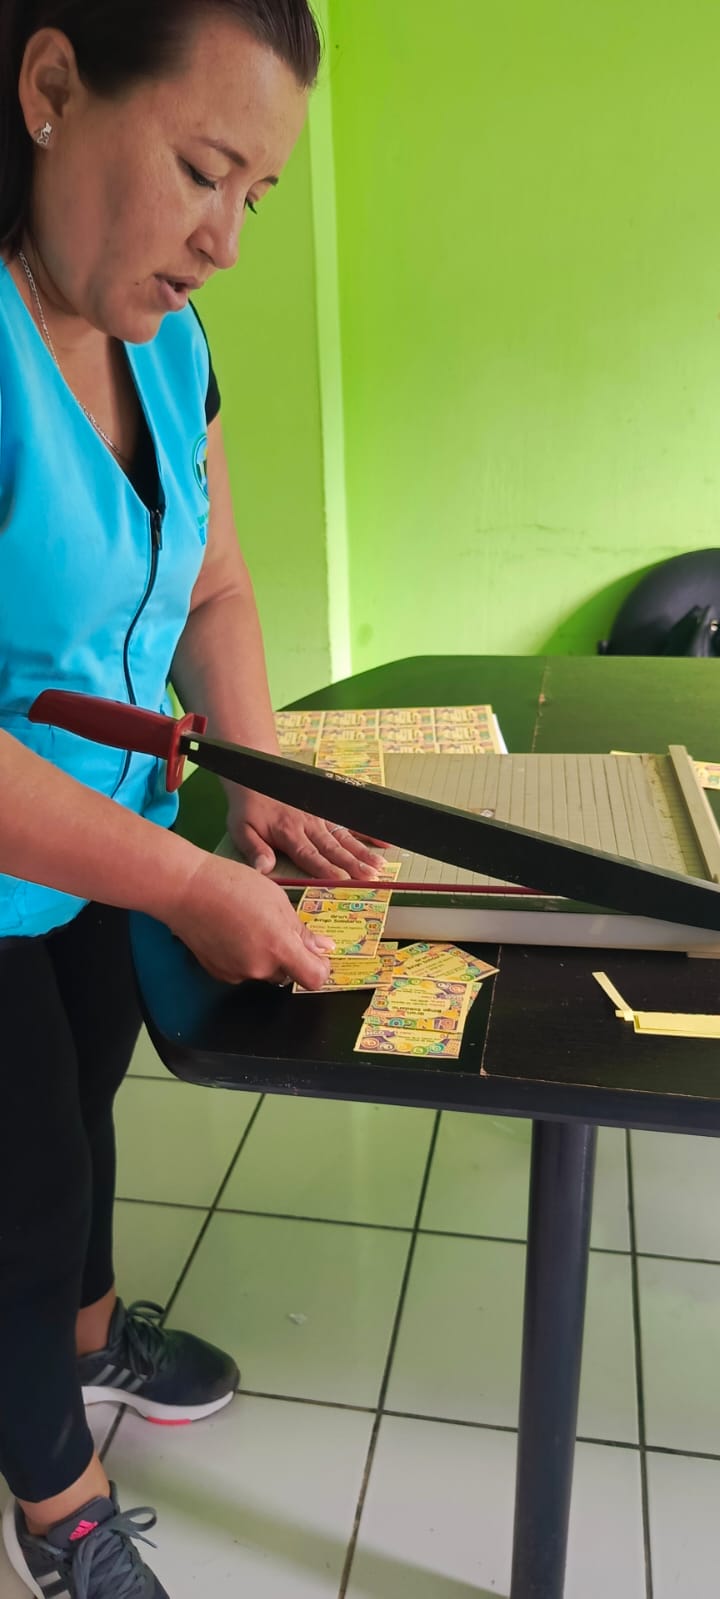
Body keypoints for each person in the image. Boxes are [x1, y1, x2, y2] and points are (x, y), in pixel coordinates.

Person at [0, 4, 382, 1594]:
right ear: (50, 87)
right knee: (19, 1188)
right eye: (202, 171)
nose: (224, 240)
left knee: (89, 1095)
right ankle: (56, 1503)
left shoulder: (169, 341)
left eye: (256, 196)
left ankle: (90, 1343)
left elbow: (214, 587)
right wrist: (187, 884)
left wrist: (256, 779)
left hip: (101, 836)